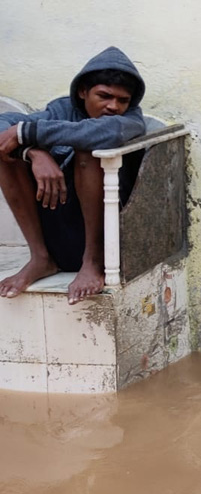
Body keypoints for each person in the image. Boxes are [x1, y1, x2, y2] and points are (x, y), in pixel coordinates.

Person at [0, 48, 146, 304]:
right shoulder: (60, 110)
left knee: (89, 151)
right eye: (104, 96)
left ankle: (92, 262)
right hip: (56, 224)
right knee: (5, 156)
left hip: (105, 238)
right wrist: (33, 152)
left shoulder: (130, 119)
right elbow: (5, 127)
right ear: (82, 92)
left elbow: (104, 133)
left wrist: (26, 133)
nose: (114, 106)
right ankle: (40, 258)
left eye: (122, 100)